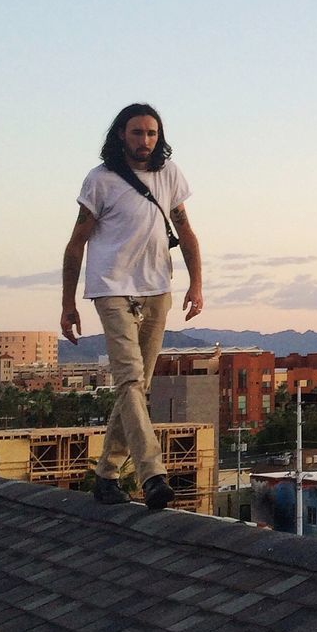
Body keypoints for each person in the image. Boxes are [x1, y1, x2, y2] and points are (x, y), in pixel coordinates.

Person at [61, 104, 203, 508]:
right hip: (111, 287)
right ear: (121, 134)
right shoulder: (100, 181)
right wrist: (68, 303)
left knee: (139, 387)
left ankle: (106, 477)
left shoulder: (169, 174)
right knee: (128, 380)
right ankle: (152, 475)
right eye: (138, 133)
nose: (145, 141)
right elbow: (76, 245)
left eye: (152, 133)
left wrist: (197, 284)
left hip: (157, 287)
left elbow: (186, 231)